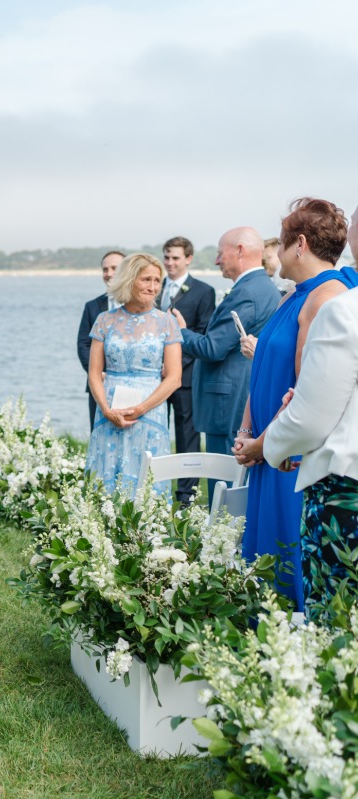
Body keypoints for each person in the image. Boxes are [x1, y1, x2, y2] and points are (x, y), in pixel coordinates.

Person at [231, 199, 350, 612]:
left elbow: (302, 392)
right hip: (264, 449)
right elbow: (262, 372)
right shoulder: (290, 297)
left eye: (280, 245)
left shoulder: (327, 299)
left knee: (287, 561)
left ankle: (288, 652)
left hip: (288, 456)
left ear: (300, 245)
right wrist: (247, 432)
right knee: (261, 561)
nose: (275, 255)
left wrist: (265, 442)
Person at [247, 286, 358, 619]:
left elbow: (312, 417)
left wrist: (272, 446)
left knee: (337, 618)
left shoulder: (343, 309)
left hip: (345, 488)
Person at [172, 227, 280, 462]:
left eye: (221, 253)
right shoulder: (262, 286)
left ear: (240, 251)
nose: (216, 260)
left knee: (222, 480)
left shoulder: (247, 292)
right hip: (241, 395)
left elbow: (213, 348)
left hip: (228, 403)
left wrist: (179, 330)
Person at [85, 254, 183, 496]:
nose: (152, 287)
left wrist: (140, 408)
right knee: (106, 474)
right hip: (109, 409)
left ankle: (146, 531)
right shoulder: (104, 321)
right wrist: (106, 409)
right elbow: (94, 374)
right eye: (146, 279)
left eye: (157, 281)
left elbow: (174, 378)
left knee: (145, 477)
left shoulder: (166, 322)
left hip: (149, 411)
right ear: (129, 280)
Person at [158, 237, 217, 505]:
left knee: (187, 437)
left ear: (188, 259)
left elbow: (203, 335)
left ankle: (186, 496)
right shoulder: (153, 287)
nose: (170, 263)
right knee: (156, 432)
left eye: (176, 258)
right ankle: (153, 490)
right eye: (167, 257)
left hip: (185, 377)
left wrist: (171, 368)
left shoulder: (203, 291)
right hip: (153, 378)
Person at [77, 251, 123, 431]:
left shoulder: (141, 306)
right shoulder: (92, 306)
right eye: (105, 269)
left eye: (114, 268)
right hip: (99, 385)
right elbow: (83, 344)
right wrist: (97, 374)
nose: (109, 273)